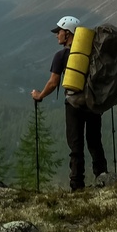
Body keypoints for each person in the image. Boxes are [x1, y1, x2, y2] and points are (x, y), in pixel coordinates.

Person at [31, 16, 109, 190]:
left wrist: (40, 95)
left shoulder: (61, 55)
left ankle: (77, 185)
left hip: (74, 105)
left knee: (76, 146)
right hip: (93, 104)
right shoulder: (92, 52)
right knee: (95, 142)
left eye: (58, 32)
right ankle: (103, 178)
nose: (56, 35)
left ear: (67, 33)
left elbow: (53, 82)